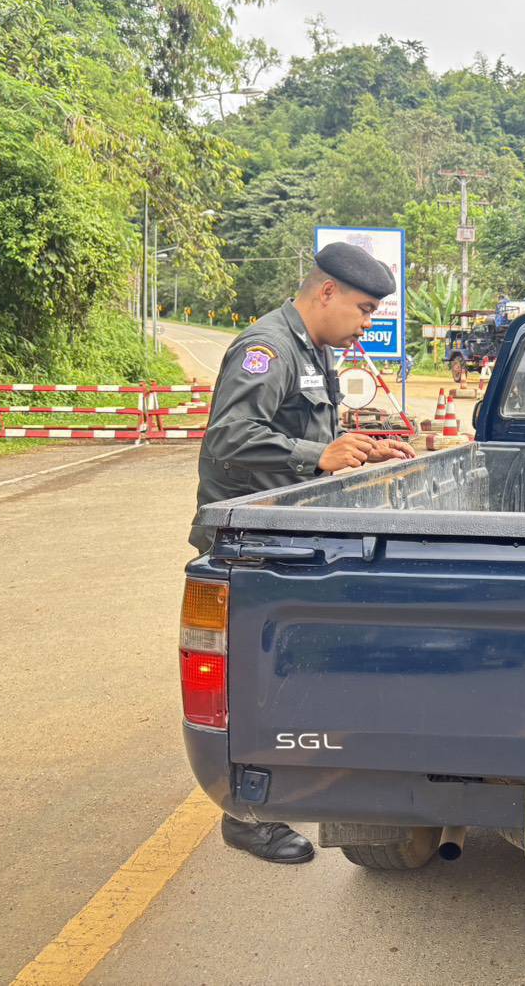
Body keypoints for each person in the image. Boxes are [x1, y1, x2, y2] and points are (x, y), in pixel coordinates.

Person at [190, 241, 415, 863]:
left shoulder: (315, 350)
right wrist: (318, 455)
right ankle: (247, 817)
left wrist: (357, 446)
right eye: (363, 310)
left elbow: (308, 432)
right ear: (327, 292)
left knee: (292, 673)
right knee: (250, 680)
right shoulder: (267, 348)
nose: (366, 324)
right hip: (249, 543)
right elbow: (230, 437)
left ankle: (279, 786)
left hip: (288, 535)